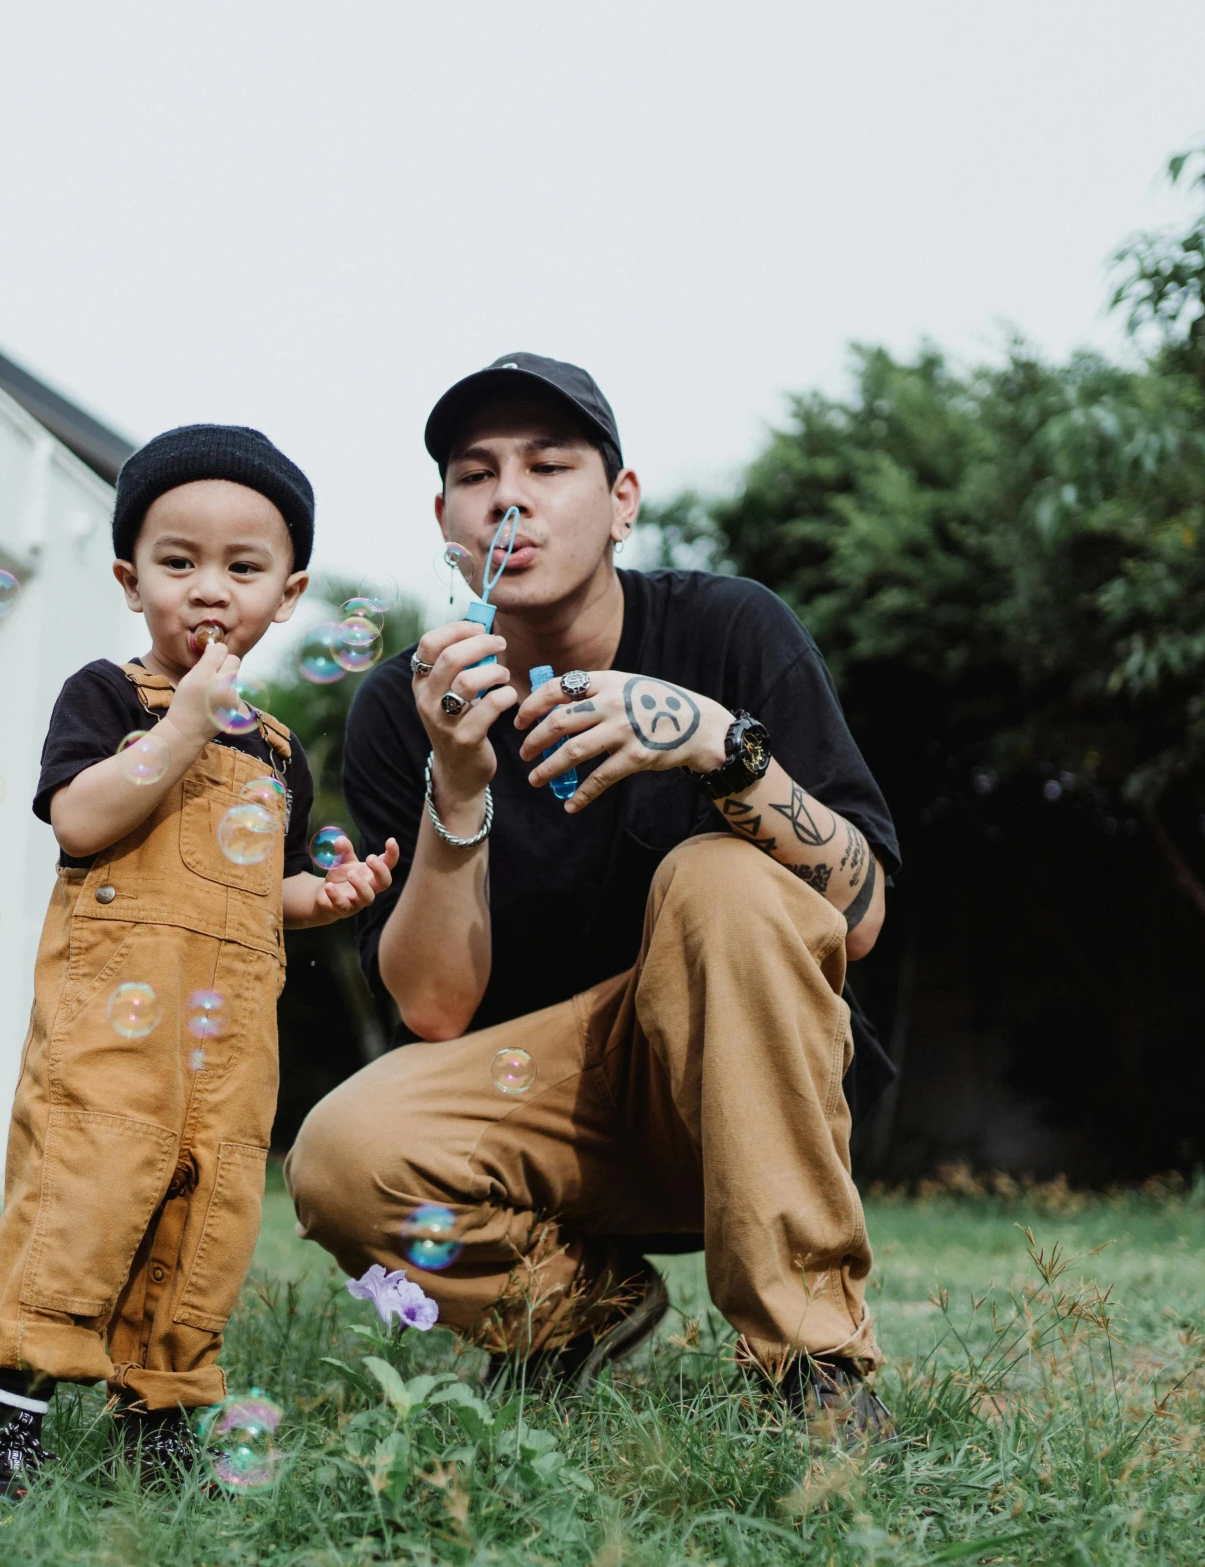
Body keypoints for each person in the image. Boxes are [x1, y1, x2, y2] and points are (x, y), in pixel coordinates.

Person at [285, 355, 900, 1434]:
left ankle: (814, 1367)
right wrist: (457, 786)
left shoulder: (729, 631)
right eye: (476, 475)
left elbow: (861, 912)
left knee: (714, 874)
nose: (508, 497)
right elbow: (432, 1010)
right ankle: (577, 1307)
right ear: (447, 520)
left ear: (621, 505)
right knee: (340, 1158)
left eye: (549, 464)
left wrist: (720, 745)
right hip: (548, 1106)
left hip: (754, 1085)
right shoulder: (407, 706)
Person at [0, 425, 400, 1495]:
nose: (209, 590)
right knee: (83, 1200)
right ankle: (5, 1426)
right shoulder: (107, 697)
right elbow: (80, 817)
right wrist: (183, 725)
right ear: (129, 577)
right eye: (177, 562)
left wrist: (324, 895)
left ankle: (163, 1420)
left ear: (285, 595)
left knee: (208, 1222)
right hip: (115, 1027)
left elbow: (264, 882)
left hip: (230, 1043)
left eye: (242, 568)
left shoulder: (278, 744)